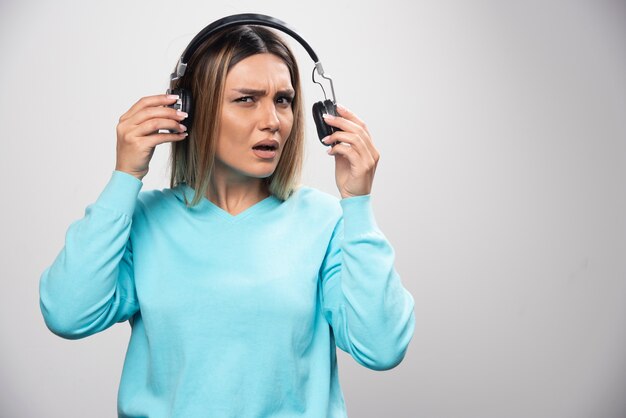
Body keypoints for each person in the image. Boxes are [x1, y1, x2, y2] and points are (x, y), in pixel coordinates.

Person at [39, 20, 415, 418]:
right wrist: (124, 178)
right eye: (246, 99)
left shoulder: (325, 222)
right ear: (188, 109)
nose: (272, 119)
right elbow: (68, 314)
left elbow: (382, 346)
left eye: (283, 100)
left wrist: (357, 203)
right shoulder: (146, 221)